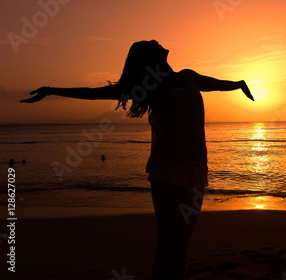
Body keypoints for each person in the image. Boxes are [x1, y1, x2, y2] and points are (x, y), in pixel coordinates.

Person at [21, 40, 254, 280]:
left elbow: (216, 85)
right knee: (167, 244)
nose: (156, 41)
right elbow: (95, 94)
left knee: (183, 243)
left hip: (197, 170)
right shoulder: (148, 87)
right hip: (167, 170)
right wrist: (50, 90)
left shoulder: (189, 77)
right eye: (150, 44)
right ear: (149, 58)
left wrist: (238, 84)